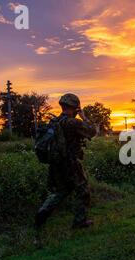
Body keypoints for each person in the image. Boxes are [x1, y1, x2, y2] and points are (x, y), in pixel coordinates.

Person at [35, 93, 96, 229]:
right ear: (75, 107)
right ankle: (80, 221)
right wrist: (84, 117)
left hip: (56, 162)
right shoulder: (72, 122)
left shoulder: (55, 122)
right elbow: (92, 132)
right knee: (83, 190)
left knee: (61, 190)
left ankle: (43, 211)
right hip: (71, 163)